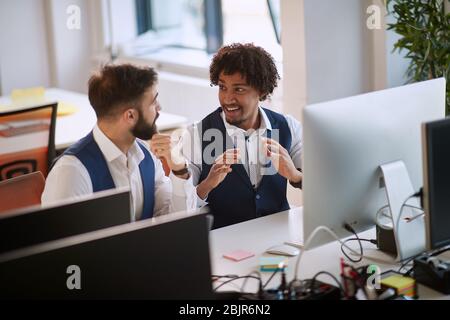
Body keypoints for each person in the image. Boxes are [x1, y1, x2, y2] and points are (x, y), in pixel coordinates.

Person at [42, 64, 196, 221]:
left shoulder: (147, 155)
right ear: (130, 116)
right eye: (153, 103)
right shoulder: (71, 172)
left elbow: (176, 222)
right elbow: (63, 243)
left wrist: (179, 169)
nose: (159, 108)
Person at [181, 43, 303, 229]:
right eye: (222, 87)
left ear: (261, 91)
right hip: (223, 244)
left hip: (279, 239)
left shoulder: (288, 127)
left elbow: (323, 186)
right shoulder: (196, 135)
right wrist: (208, 184)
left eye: (239, 89)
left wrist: (295, 176)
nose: (228, 99)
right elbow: (180, 209)